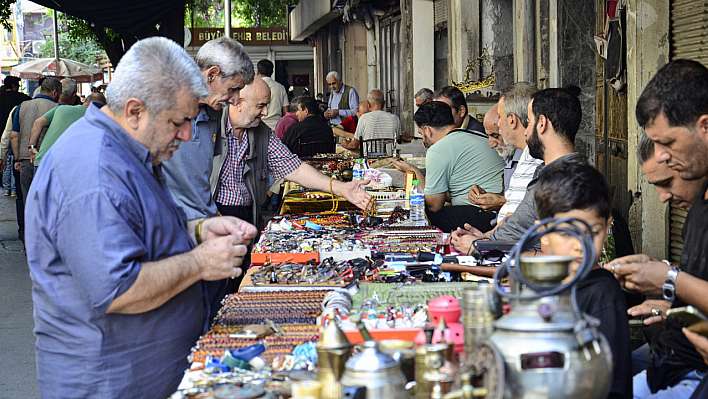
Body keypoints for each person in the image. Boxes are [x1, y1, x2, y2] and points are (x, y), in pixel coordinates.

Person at [25, 37, 258, 399]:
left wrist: (198, 229)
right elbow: (118, 289)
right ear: (134, 111)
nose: (186, 134)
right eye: (178, 122)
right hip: (110, 383)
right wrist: (199, 263)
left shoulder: (130, 153)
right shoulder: (94, 170)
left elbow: (137, 230)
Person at [604, 59, 708, 398]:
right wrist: (673, 299)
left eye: (668, 143)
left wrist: (669, 280)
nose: (661, 157)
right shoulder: (697, 206)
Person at [212, 77, 371, 229]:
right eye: (260, 106)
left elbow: (294, 168)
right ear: (238, 102)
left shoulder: (263, 133)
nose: (266, 112)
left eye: (267, 105)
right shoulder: (209, 129)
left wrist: (341, 188)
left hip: (247, 216)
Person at [534, 156, 632, 399]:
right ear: (543, 232)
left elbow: (612, 387)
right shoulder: (538, 283)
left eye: (593, 232)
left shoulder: (603, 294)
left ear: (608, 226)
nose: (581, 246)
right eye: (568, 234)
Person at [451, 86, 582, 254]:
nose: (525, 132)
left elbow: (557, 257)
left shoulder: (563, 179)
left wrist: (481, 247)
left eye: (529, 122)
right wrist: (487, 239)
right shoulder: (549, 171)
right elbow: (519, 224)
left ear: (542, 124)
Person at [162, 37, 254, 222]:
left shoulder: (215, 113)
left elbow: (201, 179)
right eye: (232, 89)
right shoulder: (159, 106)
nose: (234, 100)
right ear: (211, 74)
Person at [392, 101, 504, 232]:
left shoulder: (438, 149)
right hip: (498, 210)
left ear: (427, 130)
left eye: (421, 133)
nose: (423, 139)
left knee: (421, 213)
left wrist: (413, 170)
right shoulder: (475, 135)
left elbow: (434, 204)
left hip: (484, 213)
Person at [9, 76, 61, 241]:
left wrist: (17, 159)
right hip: (50, 162)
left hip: (26, 161)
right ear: (54, 92)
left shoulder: (21, 107)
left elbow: (14, 135)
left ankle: (30, 240)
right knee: (49, 203)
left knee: (28, 202)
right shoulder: (59, 109)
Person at [29, 93, 107, 167]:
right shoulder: (97, 119)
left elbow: (38, 123)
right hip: (66, 166)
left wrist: (32, 148)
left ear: (85, 101)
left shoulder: (61, 108)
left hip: (42, 161)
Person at [341, 89, 400, 154]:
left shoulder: (363, 118)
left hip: (369, 160)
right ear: (384, 104)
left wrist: (344, 144)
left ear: (368, 105)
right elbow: (398, 140)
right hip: (389, 158)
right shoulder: (395, 118)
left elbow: (354, 145)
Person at [257, 59, 289, 130]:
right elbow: (286, 112)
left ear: (257, 72)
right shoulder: (280, 88)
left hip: (258, 127)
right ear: (272, 72)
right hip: (276, 127)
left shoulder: (253, 87)